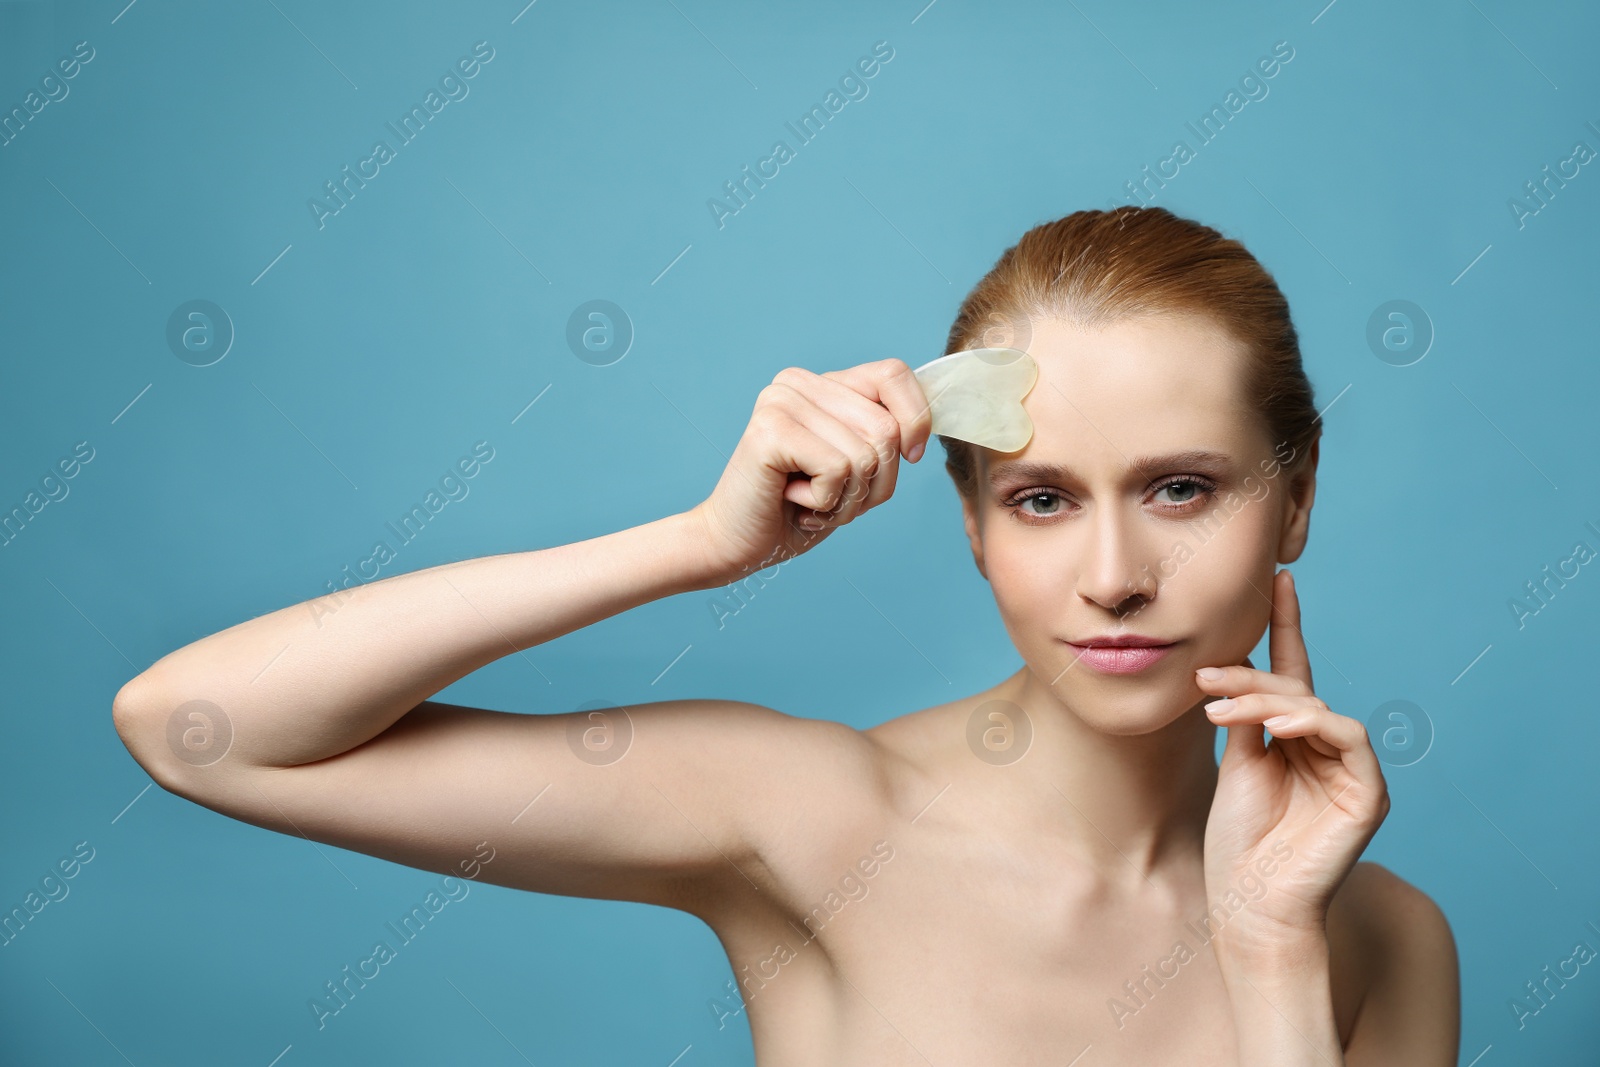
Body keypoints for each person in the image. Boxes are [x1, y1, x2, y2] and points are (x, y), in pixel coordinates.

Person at [112, 205, 1459, 1065]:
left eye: (1182, 488)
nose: (1114, 576)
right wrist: (701, 546)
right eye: (1042, 500)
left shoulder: (1380, 936)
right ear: (977, 528)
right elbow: (198, 733)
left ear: (1297, 499)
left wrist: (1270, 951)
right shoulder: (812, 817)